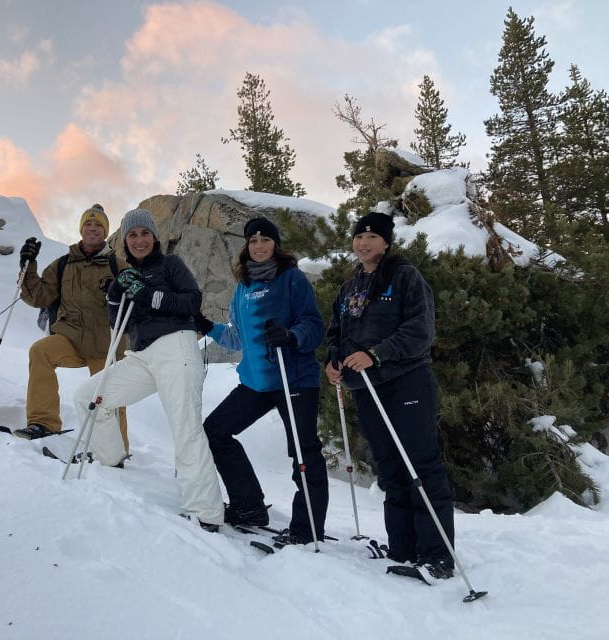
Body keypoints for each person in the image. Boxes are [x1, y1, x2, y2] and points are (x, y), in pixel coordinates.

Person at [72, 208, 224, 530]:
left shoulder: (171, 265)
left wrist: (149, 295)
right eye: (132, 235)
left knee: (185, 428)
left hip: (176, 348)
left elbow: (191, 302)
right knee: (89, 396)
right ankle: (110, 459)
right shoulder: (127, 276)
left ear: (154, 237)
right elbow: (119, 327)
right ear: (125, 242)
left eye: (144, 233)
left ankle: (205, 512)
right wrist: (116, 296)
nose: (139, 240)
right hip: (141, 355)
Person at [324, 211, 455, 579]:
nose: (363, 242)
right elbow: (337, 332)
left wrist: (376, 354)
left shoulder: (404, 277)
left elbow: (420, 329)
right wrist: (333, 361)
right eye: (358, 236)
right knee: (391, 468)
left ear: (386, 241)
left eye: (371, 236)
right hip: (366, 388)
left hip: (406, 380)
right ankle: (402, 547)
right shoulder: (350, 287)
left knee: (421, 465)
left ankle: (437, 555)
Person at [196, 217, 327, 546]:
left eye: (264, 240)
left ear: (275, 244)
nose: (258, 246)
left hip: (293, 378)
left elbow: (313, 324)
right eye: (252, 240)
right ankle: (249, 507)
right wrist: (205, 325)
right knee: (216, 431)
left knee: (303, 452)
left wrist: (291, 335)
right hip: (256, 382)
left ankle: (307, 529)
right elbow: (237, 339)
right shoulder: (243, 288)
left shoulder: (291, 279)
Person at [14, 204, 128, 451]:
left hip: (106, 344)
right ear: (81, 228)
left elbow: (134, 300)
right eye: (88, 223)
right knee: (40, 351)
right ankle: (43, 423)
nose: (93, 228)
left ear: (105, 231)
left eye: (98, 225)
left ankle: (116, 450)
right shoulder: (63, 264)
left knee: (108, 396)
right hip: (71, 338)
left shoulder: (117, 266)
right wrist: (28, 265)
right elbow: (40, 297)